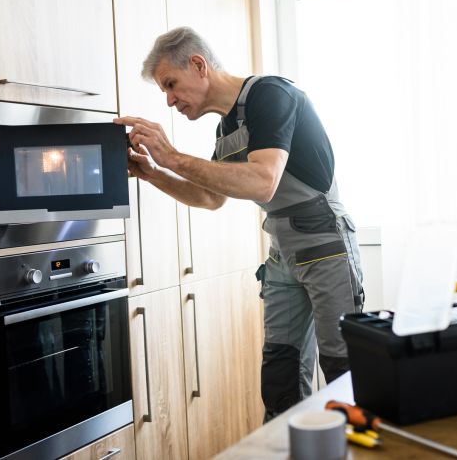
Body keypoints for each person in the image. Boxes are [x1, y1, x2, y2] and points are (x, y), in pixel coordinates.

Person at [115, 26, 364, 421]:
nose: (169, 100)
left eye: (171, 84)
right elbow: (211, 198)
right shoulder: (227, 127)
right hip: (283, 254)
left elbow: (264, 182)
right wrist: (152, 173)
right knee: (281, 375)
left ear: (198, 65)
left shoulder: (271, 95)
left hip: (325, 245)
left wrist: (174, 157)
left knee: (342, 371)